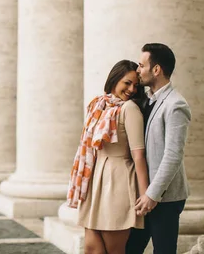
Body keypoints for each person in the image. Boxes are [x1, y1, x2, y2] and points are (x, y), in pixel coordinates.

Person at [67, 60, 149, 254]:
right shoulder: (99, 105)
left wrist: (146, 194)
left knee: (114, 249)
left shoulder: (129, 109)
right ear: (114, 79)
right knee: (91, 248)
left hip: (118, 180)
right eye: (127, 83)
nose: (131, 89)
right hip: (95, 180)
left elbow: (138, 154)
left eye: (135, 86)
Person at [126, 43, 191, 254]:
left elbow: (173, 155)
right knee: (130, 249)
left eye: (141, 65)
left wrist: (152, 195)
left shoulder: (176, 105)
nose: (138, 70)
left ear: (156, 69)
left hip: (164, 197)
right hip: (144, 194)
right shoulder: (147, 101)